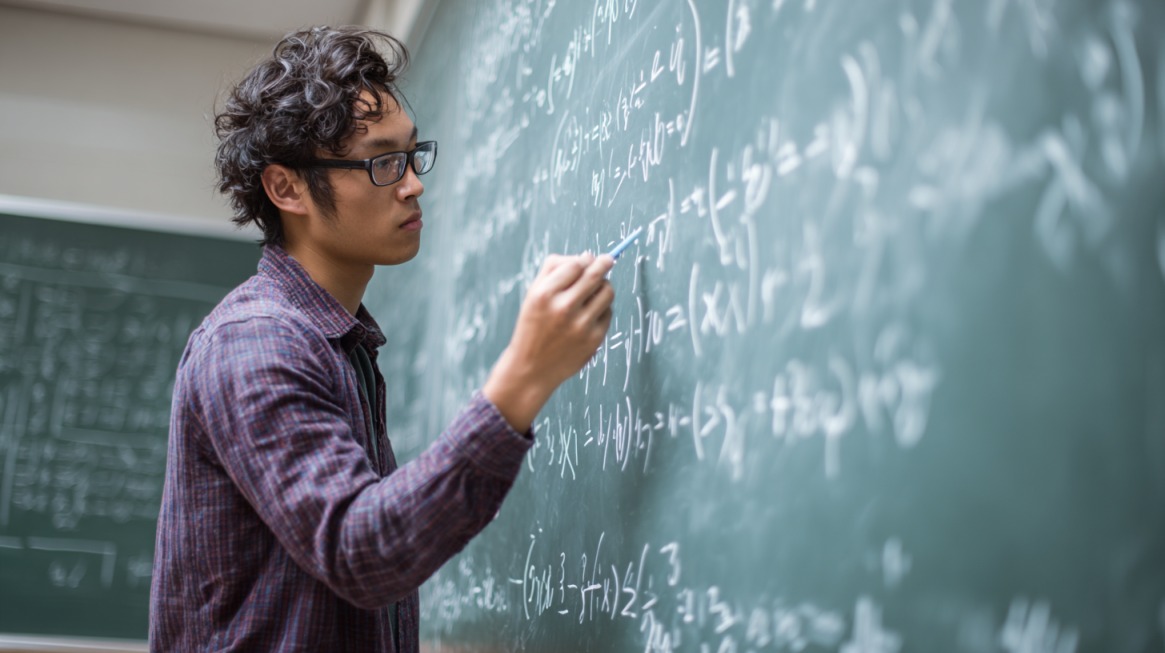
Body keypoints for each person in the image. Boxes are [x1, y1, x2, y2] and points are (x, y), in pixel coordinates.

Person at [149, 26, 615, 652]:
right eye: (382, 162)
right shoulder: (257, 343)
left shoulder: (336, 343)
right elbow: (361, 549)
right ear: (286, 188)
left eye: (413, 156)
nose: (413, 183)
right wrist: (524, 377)